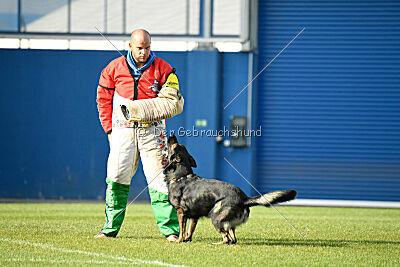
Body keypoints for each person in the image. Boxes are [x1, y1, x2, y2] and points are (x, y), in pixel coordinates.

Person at [95, 29, 180, 242]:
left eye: (147, 48)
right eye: (139, 48)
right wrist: (109, 129)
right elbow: (103, 100)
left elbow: (173, 101)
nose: (143, 52)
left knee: (161, 181)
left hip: (153, 133)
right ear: (130, 46)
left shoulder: (164, 69)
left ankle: (170, 231)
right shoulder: (113, 69)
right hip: (122, 132)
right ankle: (109, 229)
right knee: (116, 178)